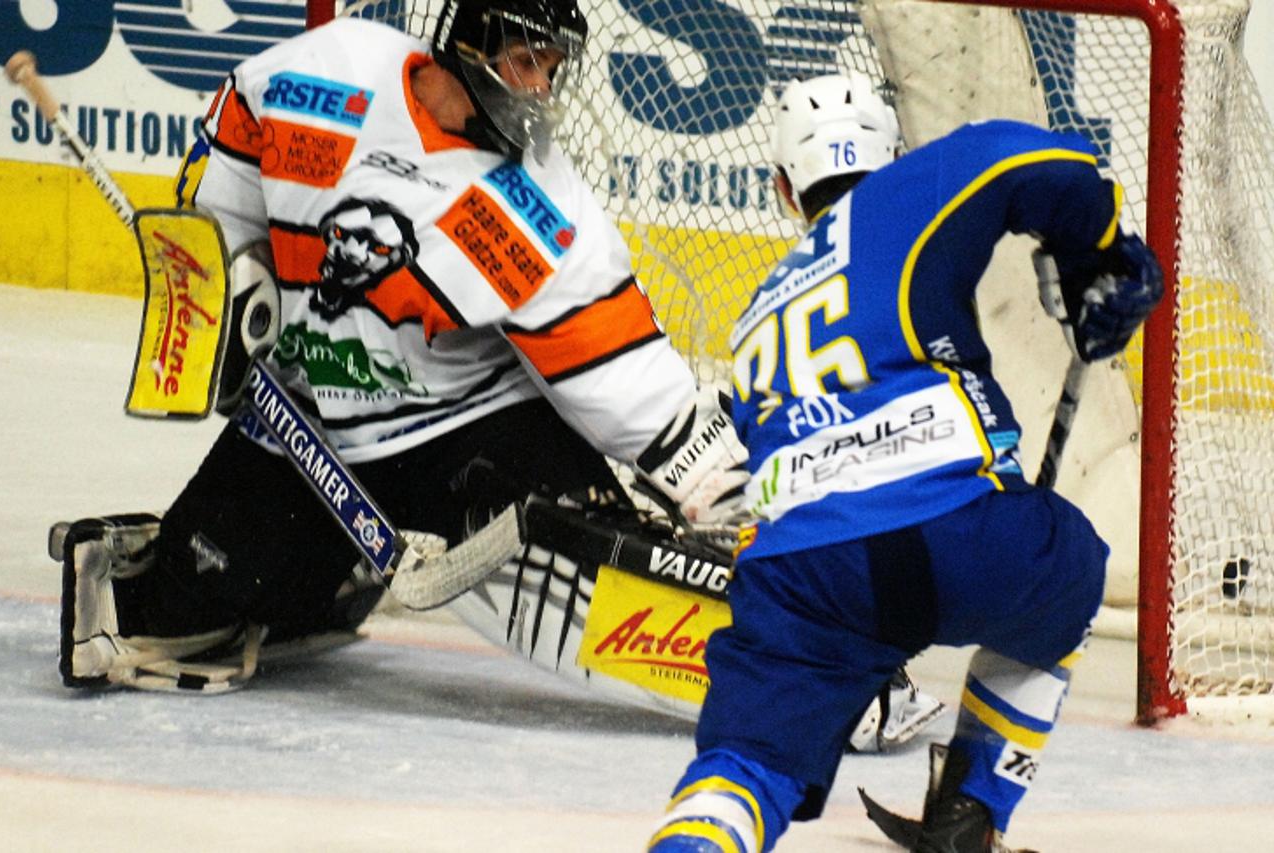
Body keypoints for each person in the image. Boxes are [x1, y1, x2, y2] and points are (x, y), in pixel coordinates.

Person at [52, 0, 944, 749]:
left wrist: (748, 511)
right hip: (309, 430)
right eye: (526, 62)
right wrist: (232, 270)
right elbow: (228, 162)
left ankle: (814, 670)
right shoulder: (324, 75)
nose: (541, 89)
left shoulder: (536, 206)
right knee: (142, 624)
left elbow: (636, 391)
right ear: (468, 41)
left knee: (600, 573)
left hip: (470, 436)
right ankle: (316, 578)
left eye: (554, 68)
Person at [647, 73, 1163, 853]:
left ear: (785, 188)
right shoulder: (906, 190)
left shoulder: (756, 316)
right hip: (964, 534)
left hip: (806, 574)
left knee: (744, 764)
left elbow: (748, 468)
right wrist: (1101, 250)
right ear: (895, 155)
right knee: (1069, 571)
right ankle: (972, 812)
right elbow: (1036, 159)